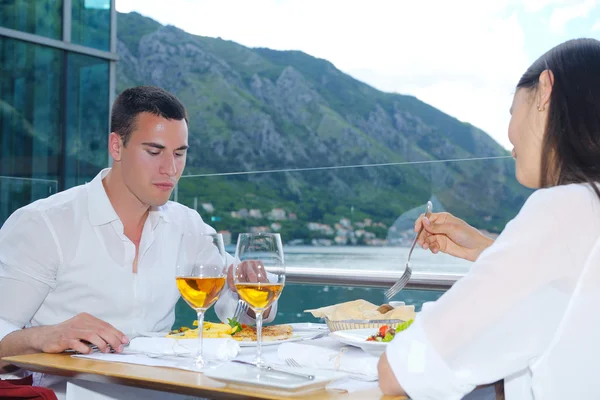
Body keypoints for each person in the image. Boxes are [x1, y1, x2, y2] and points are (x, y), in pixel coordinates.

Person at [0, 86, 276, 396]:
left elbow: (238, 314)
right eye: (154, 151)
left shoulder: (188, 226)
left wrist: (255, 302)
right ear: (116, 146)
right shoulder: (44, 224)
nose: (170, 169)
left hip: (170, 391)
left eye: (179, 153)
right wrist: (44, 336)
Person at [378, 37, 600, 399]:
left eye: (512, 112)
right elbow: (572, 294)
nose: (509, 137)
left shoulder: (562, 208)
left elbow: (402, 370)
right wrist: (487, 249)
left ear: (544, 91)